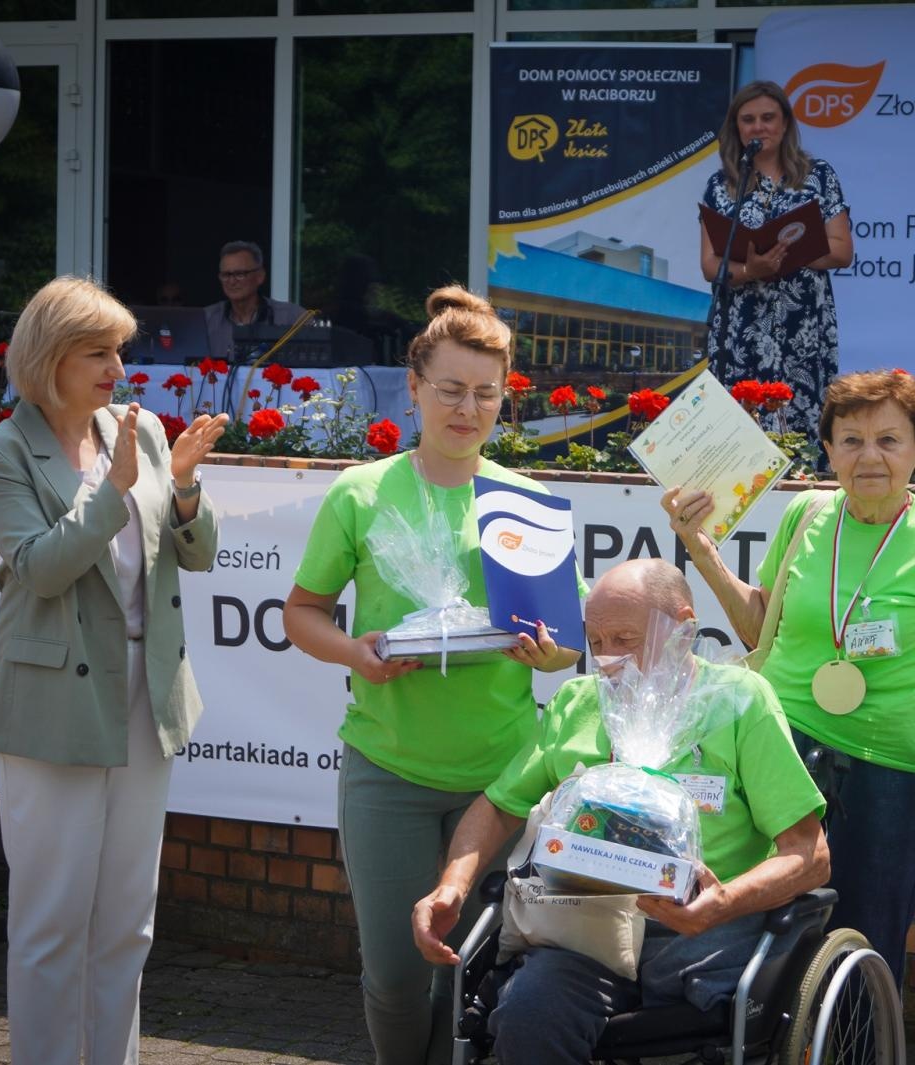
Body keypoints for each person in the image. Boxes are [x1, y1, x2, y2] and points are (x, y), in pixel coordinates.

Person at [282, 285, 580, 1065]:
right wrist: (358, 653)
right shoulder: (364, 492)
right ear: (412, 386)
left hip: (505, 778)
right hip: (388, 771)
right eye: (449, 390)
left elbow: (570, 643)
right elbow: (301, 613)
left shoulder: (531, 501)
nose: (467, 409)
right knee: (394, 973)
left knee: (475, 971)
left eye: (486, 393)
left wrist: (550, 654)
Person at [410, 559, 830, 1065]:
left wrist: (722, 903)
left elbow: (810, 854)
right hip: (581, 931)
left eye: (625, 640)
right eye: (596, 642)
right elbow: (498, 808)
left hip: (702, 935)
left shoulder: (739, 702)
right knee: (528, 1011)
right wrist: (452, 886)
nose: (607, 660)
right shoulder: (576, 703)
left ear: (683, 626)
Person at [0, 276, 228, 1064]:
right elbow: (42, 569)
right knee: (52, 923)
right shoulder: (1, 451)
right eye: (99, 351)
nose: (120, 365)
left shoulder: (141, 429)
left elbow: (199, 554)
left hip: (147, 694)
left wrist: (182, 486)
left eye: (121, 348)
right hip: (53, 703)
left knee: (126, 920)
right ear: (50, 358)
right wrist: (110, 491)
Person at [662, 368, 915, 985]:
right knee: (759, 936)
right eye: (851, 440)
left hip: (888, 770)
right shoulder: (806, 515)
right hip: (780, 752)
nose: (870, 457)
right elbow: (760, 628)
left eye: (889, 440)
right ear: (830, 450)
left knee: (864, 946)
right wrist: (699, 546)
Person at [700, 81, 854, 438]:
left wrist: (787, 255)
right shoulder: (720, 185)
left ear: (785, 124)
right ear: (736, 127)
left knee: (800, 429)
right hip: (739, 331)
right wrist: (750, 270)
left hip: (802, 327)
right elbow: (710, 264)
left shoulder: (818, 175)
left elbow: (842, 250)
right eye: (748, 119)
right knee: (736, 433)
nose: (758, 127)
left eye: (768, 118)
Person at [203, 240, 304, 361]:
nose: (231, 281)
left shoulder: (292, 317)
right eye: (226, 275)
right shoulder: (206, 319)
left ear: (260, 276)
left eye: (240, 274)